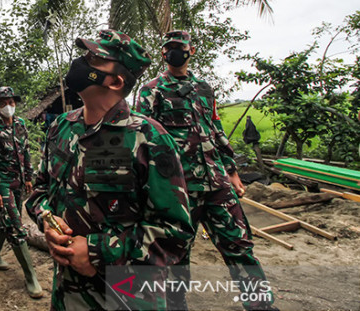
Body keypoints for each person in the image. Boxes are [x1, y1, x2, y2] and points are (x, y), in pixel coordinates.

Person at [26, 30, 193, 310]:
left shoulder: (149, 138)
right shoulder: (60, 128)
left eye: (93, 59)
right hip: (68, 294)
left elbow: (175, 232)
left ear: (116, 81)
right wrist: (46, 220)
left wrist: (96, 252)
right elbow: (40, 190)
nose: (81, 63)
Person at [136, 30, 277, 311]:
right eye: (169, 48)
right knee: (176, 255)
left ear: (191, 51)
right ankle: (177, 305)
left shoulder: (204, 88)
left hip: (216, 182)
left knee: (240, 246)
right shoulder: (151, 90)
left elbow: (215, 129)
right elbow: (143, 137)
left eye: (179, 47)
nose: (174, 52)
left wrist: (232, 170)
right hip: (179, 188)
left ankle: (261, 305)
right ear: (163, 53)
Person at [0, 86, 43, 299]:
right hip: (3, 184)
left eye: (11, 102)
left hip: (18, 183)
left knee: (5, 220)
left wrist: (28, 177)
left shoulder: (21, 125)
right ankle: (31, 277)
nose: (8, 106)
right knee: (17, 227)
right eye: (3, 103)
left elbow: (25, 151)